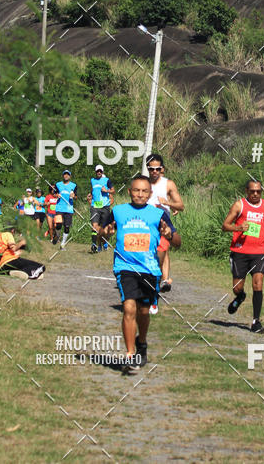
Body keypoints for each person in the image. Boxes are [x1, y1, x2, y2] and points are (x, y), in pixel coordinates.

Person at [98, 174, 180, 374]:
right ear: (129, 192)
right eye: (136, 190)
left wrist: (170, 235)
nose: (140, 194)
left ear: (150, 193)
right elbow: (101, 235)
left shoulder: (158, 214)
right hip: (125, 268)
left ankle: (141, 342)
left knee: (143, 311)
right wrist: (104, 234)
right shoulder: (118, 211)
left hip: (150, 269)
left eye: (144, 191)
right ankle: (129, 354)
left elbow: (177, 242)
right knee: (129, 308)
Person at [222, 179, 264, 333]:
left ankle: (256, 321)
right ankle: (240, 297)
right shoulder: (239, 205)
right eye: (252, 191)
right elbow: (225, 226)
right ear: (247, 191)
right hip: (239, 252)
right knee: (237, 287)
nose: (255, 194)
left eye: (258, 191)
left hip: (259, 252)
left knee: (258, 283)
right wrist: (238, 227)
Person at [147, 153, 184, 302]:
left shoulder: (168, 184)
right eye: (151, 169)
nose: (154, 171)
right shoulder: (143, 183)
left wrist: (168, 204)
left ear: (162, 168)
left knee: (164, 247)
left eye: (157, 168)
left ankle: (163, 279)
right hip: (147, 220)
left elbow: (181, 205)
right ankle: (159, 278)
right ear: (147, 168)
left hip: (163, 220)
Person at [88, 164, 115, 254]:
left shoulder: (107, 180)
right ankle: (94, 244)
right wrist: (90, 195)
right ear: (95, 172)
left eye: (100, 171)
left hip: (105, 207)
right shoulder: (92, 180)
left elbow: (113, 191)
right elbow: (93, 190)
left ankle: (103, 243)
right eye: (97, 171)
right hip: (95, 206)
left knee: (103, 229)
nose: (99, 172)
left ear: (102, 172)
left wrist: (106, 191)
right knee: (94, 227)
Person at [55, 170, 77, 249]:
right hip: (59, 207)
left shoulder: (73, 185)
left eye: (68, 175)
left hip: (68, 208)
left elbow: (76, 197)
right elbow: (54, 193)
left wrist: (73, 196)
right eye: (65, 174)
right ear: (63, 176)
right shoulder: (58, 184)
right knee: (58, 224)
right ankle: (57, 236)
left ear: (70, 176)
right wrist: (56, 195)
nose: (66, 176)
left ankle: (63, 243)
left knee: (67, 226)